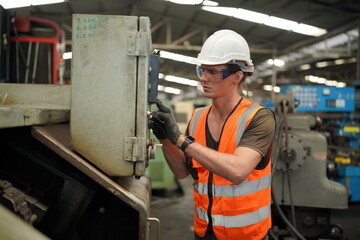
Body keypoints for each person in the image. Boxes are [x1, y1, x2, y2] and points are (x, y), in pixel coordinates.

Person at [151, 29, 275, 240]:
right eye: (202, 70)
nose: (204, 78)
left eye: (213, 72)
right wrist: (165, 137)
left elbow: (237, 171)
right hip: (204, 231)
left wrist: (180, 139)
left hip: (246, 235)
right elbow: (182, 172)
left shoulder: (259, 118)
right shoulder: (198, 117)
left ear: (236, 77)